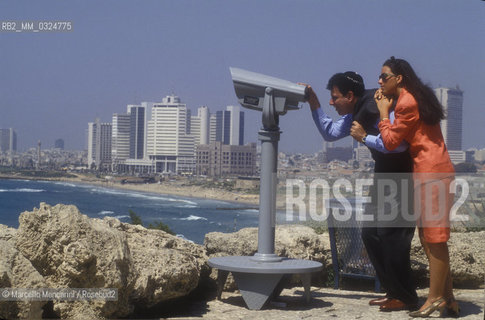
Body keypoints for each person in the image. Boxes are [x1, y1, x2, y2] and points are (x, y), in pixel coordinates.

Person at [304, 72, 418, 311]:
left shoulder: (372, 108)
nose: (332, 103)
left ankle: (406, 296)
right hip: (384, 174)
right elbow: (331, 133)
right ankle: (393, 291)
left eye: (335, 98)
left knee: (392, 237)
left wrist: (365, 138)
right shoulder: (356, 110)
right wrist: (313, 102)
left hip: (402, 176)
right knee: (370, 233)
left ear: (349, 95)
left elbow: (399, 145)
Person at [363, 56, 458, 317]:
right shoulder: (419, 95)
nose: (379, 82)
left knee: (435, 240)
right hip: (433, 172)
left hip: (431, 174)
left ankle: (436, 297)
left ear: (398, 79)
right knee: (431, 239)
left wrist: (383, 113)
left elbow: (392, 141)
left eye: (384, 77)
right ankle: (447, 297)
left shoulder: (406, 102)